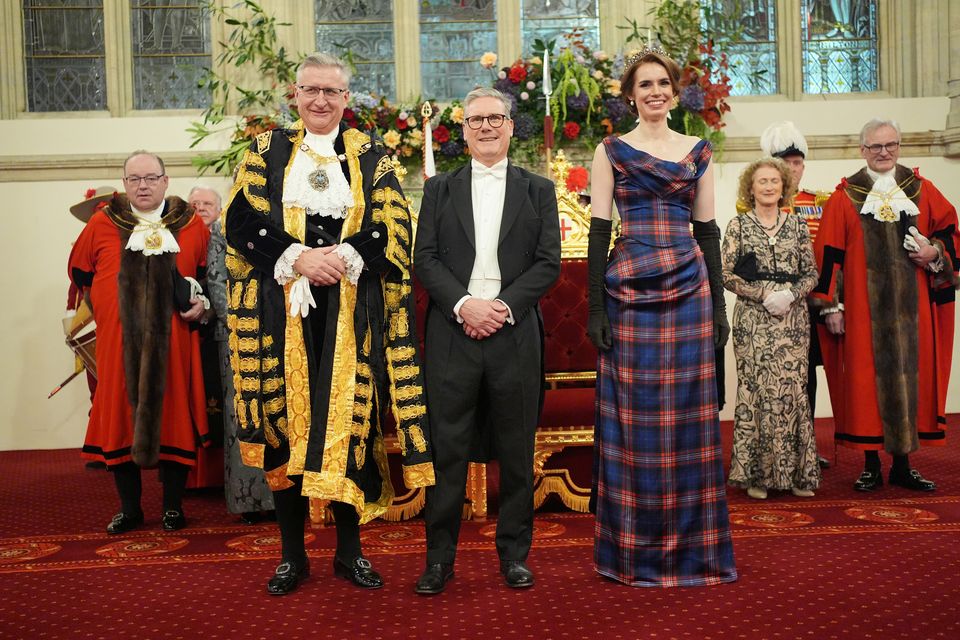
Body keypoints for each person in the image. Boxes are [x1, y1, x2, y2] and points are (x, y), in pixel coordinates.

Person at [223, 52, 434, 596]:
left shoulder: (373, 155)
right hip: (281, 314)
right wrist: (296, 256)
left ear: (346, 99)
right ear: (295, 94)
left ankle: (349, 553)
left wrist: (340, 257)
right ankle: (292, 556)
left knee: (350, 429)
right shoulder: (265, 151)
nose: (320, 100)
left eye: (331, 92)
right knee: (286, 428)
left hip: (352, 315)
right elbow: (240, 220)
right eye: (310, 90)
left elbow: (393, 223)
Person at [587, 48, 737, 587]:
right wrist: (594, 308)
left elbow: (708, 231)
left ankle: (695, 555)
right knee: (634, 422)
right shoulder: (610, 150)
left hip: (689, 292)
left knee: (691, 423)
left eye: (663, 84)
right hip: (628, 293)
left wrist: (719, 306)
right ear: (631, 94)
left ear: (675, 93)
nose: (654, 92)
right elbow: (599, 231)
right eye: (644, 84)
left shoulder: (699, 151)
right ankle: (632, 553)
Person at [412, 86, 561, 594]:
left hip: (514, 331)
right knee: (446, 450)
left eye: (495, 118)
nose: (486, 127)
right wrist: (463, 306)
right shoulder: (439, 189)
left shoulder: (538, 189)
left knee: (517, 451)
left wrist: (501, 308)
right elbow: (425, 258)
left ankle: (514, 556)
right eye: (475, 120)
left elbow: (548, 263)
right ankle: (439, 560)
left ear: (511, 126)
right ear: (464, 130)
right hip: (453, 331)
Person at [67, 151, 211, 534]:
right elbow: (80, 272)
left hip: (175, 342)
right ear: (124, 183)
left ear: (166, 181)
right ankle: (130, 509)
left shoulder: (192, 225)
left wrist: (201, 304)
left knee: (173, 415)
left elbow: (206, 278)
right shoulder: (101, 223)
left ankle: (172, 507)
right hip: (119, 344)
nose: (143, 185)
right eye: (134, 179)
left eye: (150, 178)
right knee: (120, 417)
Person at [813, 118, 958, 492]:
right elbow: (828, 256)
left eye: (890, 145)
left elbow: (950, 232)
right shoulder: (845, 197)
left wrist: (934, 252)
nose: (883, 152)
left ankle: (904, 464)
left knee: (913, 383)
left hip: (915, 314)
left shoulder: (923, 190)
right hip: (864, 315)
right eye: (875, 146)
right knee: (864, 386)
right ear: (862, 150)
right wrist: (832, 308)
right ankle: (871, 464)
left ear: (899, 146)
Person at [722, 158, 821, 500]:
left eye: (774, 181)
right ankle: (757, 476)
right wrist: (763, 294)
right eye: (761, 181)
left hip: (793, 320)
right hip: (754, 319)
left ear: (784, 187)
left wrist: (791, 294)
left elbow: (812, 273)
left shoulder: (797, 226)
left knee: (793, 391)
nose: (768, 186)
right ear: (750, 187)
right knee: (758, 392)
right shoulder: (738, 226)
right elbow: (724, 273)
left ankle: (797, 476)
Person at [199, 186, 276, 522]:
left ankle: (285, 496)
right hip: (235, 335)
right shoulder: (222, 226)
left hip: (278, 330)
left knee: (279, 415)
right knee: (241, 417)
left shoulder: (282, 219)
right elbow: (215, 280)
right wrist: (241, 322)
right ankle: (249, 501)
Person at [759, 122, 832, 470]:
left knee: (808, 379)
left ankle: (806, 447)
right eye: (784, 161)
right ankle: (775, 450)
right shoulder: (755, 206)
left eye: (797, 161)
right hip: (774, 309)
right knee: (775, 381)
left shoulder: (821, 202)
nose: (792, 168)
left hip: (813, 306)